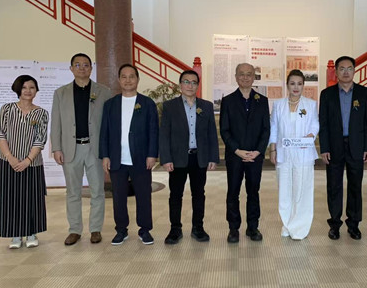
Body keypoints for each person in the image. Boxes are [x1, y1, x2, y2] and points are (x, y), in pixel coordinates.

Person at [51, 53, 112, 245]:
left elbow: (108, 124)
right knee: (72, 192)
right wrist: (56, 148)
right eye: (77, 65)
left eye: (86, 65)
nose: (82, 68)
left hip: (95, 149)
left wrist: (107, 151)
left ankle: (95, 229)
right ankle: (75, 230)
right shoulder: (61, 93)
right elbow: (56, 123)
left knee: (97, 191)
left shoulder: (104, 92)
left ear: (91, 69)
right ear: (71, 69)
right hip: (71, 149)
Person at [99, 64, 159, 245]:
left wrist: (152, 154)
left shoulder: (147, 103)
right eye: (124, 77)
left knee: (143, 195)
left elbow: (154, 131)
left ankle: (145, 229)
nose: (128, 80)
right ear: (119, 80)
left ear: (137, 79)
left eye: (131, 76)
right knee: (118, 197)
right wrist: (105, 155)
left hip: (141, 157)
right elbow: (104, 132)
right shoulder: (110, 104)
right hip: (117, 158)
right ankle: (121, 230)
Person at [159, 70, 219, 244]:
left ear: (197, 86)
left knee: (199, 194)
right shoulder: (170, 106)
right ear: (180, 85)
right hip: (177, 158)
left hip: (199, 158)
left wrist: (213, 157)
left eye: (193, 82)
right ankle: (175, 229)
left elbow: (211, 134)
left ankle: (198, 228)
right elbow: (164, 134)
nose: (190, 85)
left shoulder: (206, 106)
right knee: (175, 195)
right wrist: (166, 158)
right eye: (186, 82)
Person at [319, 56, 367, 240]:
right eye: (341, 69)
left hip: (356, 145)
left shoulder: (364, 93)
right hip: (334, 146)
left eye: (349, 68)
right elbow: (323, 123)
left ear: (354, 70)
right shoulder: (327, 94)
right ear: (336, 71)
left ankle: (354, 224)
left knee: (355, 186)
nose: (346, 72)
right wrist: (324, 147)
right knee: (334, 186)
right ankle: (334, 224)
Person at [0, 75, 49, 249]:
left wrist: (27, 160)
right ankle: (15, 235)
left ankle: (31, 233)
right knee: (10, 199)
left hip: (32, 164)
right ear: (18, 89)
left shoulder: (41, 113)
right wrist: (10, 157)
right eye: (24, 87)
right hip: (7, 163)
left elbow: (40, 139)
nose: (28, 91)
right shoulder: (7, 109)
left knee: (31, 198)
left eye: (32, 87)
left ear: (36, 90)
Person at [219, 63, 270, 243]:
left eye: (249, 74)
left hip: (255, 156)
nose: (245, 77)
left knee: (253, 192)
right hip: (235, 156)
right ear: (236, 77)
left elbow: (266, 129)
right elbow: (224, 130)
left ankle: (253, 227)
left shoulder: (262, 100)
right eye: (242, 74)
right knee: (233, 192)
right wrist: (237, 150)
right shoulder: (228, 101)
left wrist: (258, 151)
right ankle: (233, 228)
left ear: (254, 77)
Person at [269, 69, 319, 240]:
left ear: (303, 85)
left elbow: (315, 125)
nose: (296, 87)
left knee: (302, 190)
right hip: (284, 153)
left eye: (299, 84)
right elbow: (274, 128)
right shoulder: (278, 105)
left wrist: (310, 137)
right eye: (292, 83)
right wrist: (273, 149)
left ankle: (300, 226)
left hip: (303, 153)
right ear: (287, 85)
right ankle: (287, 224)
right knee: (284, 189)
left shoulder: (310, 105)